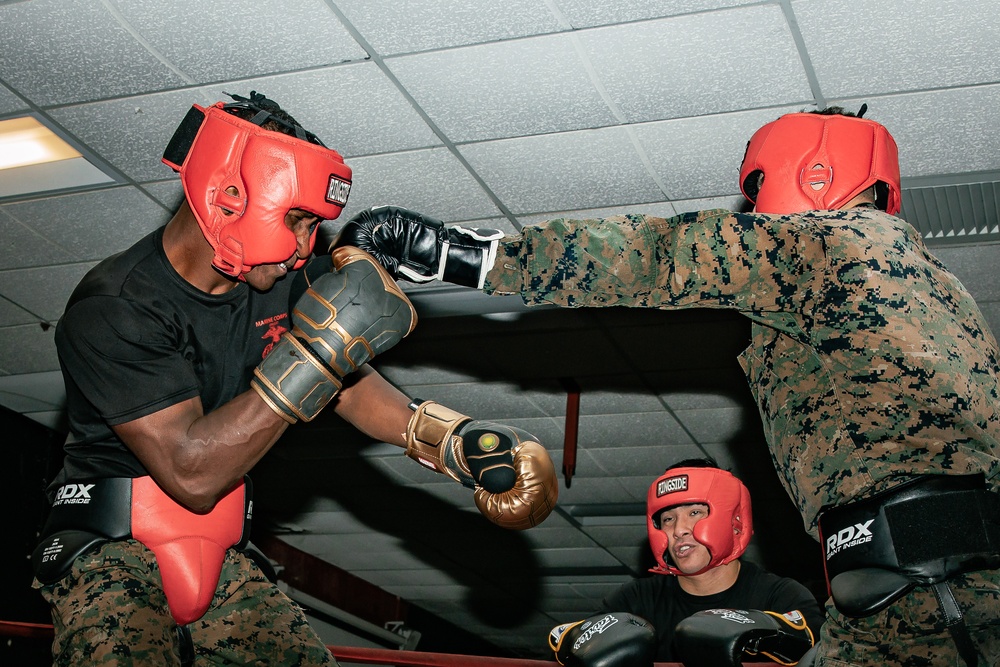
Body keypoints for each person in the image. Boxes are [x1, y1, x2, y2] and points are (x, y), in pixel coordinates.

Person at [335, 106, 1000, 666]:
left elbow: (657, 259)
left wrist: (454, 252)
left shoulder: (830, 246)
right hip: (914, 592)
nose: (754, 209)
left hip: (932, 593)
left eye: (759, 187)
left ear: (815, 170)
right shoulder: (939, 289)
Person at [31, 91, 558, 667]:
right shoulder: (116, 307)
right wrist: (316, 352)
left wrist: (444, 438)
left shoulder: (282, 278)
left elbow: (344, 383)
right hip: (110, 548)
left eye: (314, 225)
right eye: (297, 220)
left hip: (222, 543)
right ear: (229, 197)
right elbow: (191, 470)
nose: (306, 246)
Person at [547, 458, 821, 667]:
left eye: (694, 512)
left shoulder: (780, 595)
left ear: (734, 521)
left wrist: (761, 631)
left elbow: (824, 650)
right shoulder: (635, 600)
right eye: (668, 519)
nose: (679, 529)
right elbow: (568, 644)